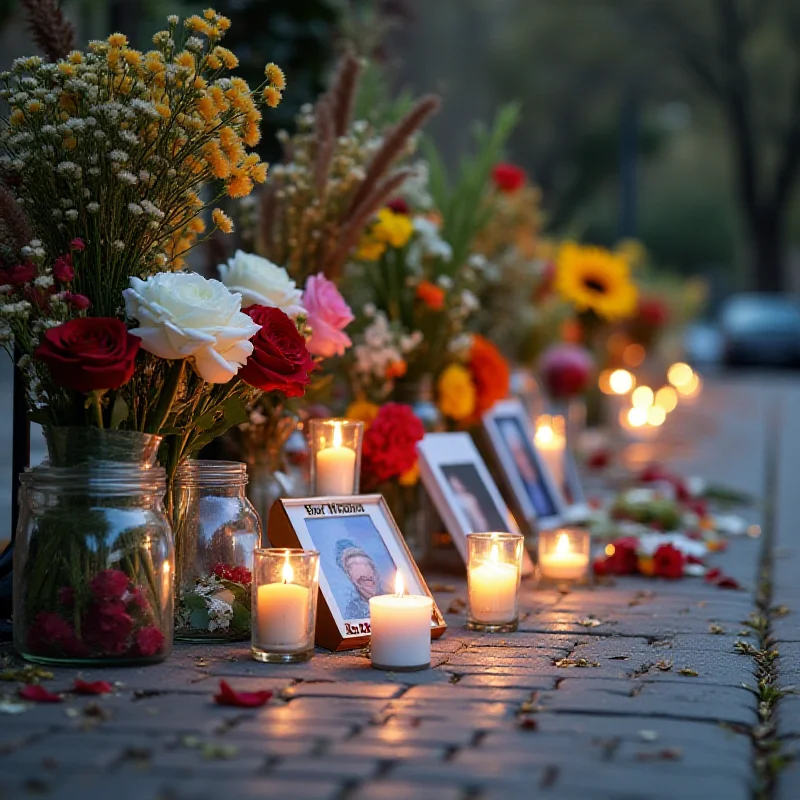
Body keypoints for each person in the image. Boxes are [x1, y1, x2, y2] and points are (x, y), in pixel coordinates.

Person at [499, 420, 556, 518]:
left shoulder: (543, 484)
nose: (523, 460)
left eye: (523, 452)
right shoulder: (516, 489)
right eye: (517, 454)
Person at [335, 539, 389, 619]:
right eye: (361, 580)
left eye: (366, 565)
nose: (365, 575)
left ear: (375, 572)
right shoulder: (354, 609)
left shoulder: (392, 600)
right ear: (352, 581)